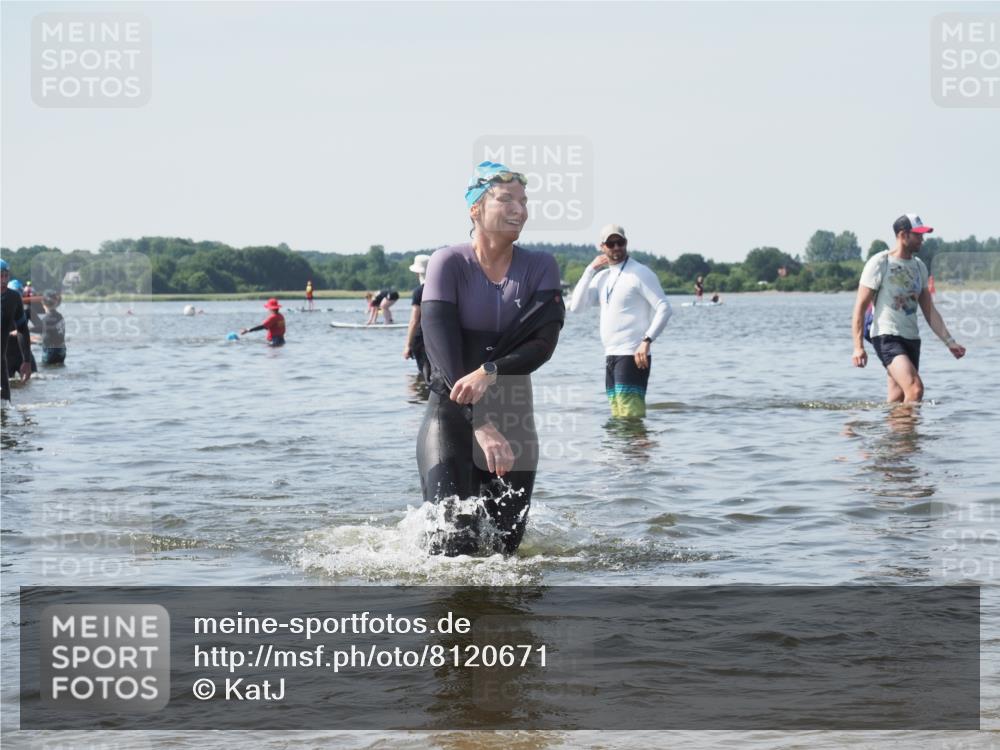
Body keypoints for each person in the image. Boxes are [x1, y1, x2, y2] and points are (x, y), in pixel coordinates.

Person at [417, 161, 564, 557]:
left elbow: (543, 342)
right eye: (506, 199)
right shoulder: (447, 263)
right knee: (452, 547)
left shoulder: (541, 266)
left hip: (513, 411)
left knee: (503, 551)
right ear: (475, 209)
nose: (520, 209)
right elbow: (440, 351)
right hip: (450, 414)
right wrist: (479, 421)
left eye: (524, 200)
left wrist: (489, 370)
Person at [851, 213, 965, 402]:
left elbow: (930, 311)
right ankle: (910, 433)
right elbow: (860, 307)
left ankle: (895, 432)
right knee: (915, 388)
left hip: (912, 338)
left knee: (898, 397)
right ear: (903, 235)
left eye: (923, 235)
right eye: (918, 235)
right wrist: (858, 347)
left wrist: (950, 342)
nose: (922, 239)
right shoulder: (880, 263)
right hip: (886, 336)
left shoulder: (919, 266)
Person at [568, 224, 672, 418]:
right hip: (611, 355)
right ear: (602, 247)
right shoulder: (602, 277)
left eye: (620, 242)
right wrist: (590, 269)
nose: (616, 247)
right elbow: (576, 307)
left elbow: (664, 308)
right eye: (611, 243)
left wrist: (646, 341)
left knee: (630, 416)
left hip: (633, 353)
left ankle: (637, 448)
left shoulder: (640, 273)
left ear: (626, 243)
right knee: (617, 414)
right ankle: (624, 450)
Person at [1, 261, 33, 402]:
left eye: (6, 276)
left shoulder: (13, 298)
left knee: (5, 407)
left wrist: (26, 361)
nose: (3, 280)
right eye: (0, 276)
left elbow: (22, 329)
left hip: (1, 365)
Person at [403, 254, 432, 381]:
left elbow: (414, 321)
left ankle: (424, 398)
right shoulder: (443, 288)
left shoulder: (419, 291)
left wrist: (407, 345)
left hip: (421, 339)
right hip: (439, 338)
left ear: (418, 273)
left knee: (426, 375)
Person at [5, 279, 38, 378]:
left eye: (18, 295)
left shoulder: (27, 310)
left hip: (24, 355)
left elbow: (41, 327)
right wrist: (11, 333)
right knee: (9, 387)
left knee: (35, 379)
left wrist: (25, 330)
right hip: (6, 356)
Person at [34, 291, 67, 365]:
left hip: (50, 351)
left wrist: (23, 330)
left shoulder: (47, 318)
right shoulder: (60, 316)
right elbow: (51, 332)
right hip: (61, 350)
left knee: (47, 370)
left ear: (43, 304)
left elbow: (39, 328)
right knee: (59, 368)